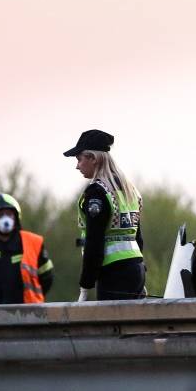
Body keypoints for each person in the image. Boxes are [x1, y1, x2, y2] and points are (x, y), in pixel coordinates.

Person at [63, 128, 147, 300]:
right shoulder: (129, 189)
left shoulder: (97, 193)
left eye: (79, 159)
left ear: (93, 158)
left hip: (113, 273)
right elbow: (137, 237)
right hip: (136, 269)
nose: (77, 166)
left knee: (112, 326)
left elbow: (95, 242)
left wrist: (85, 287)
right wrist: (140, 276)